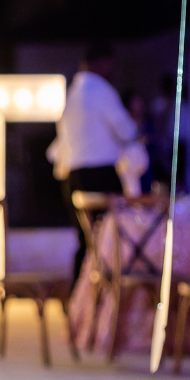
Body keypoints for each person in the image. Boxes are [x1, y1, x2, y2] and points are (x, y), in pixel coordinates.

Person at [47, 41, 138, 282]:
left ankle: (80, 300)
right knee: (110, 239)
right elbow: (126, 130)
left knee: (86, 240)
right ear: (103, 62)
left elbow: (60, 142)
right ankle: (109, 298)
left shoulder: (72, 94)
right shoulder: (101, 90)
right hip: (100, 174)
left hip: (73, 176)